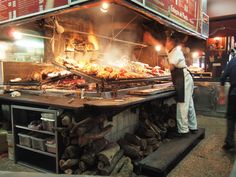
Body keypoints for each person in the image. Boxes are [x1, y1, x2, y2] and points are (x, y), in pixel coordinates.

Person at [144, 31, 198, 136]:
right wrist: (150, 39)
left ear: (172, 42)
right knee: (189, 104)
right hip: (185, 79)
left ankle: (183, 131)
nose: (166, 43)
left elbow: (171, 67)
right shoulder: (171, 51)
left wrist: (164, 64)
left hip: (184, 79)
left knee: (182, 104)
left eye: (167, 40)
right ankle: (193, 127)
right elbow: (161, 48)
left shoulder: (175, 52)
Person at [219, 55, 236, 150]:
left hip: (233, 94)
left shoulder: (233, 61)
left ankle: (229, 143)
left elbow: (223, 78)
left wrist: (222, 93)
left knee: (231, 118)